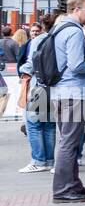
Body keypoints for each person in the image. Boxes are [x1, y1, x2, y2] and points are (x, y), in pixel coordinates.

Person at [48, 0, 85, 203]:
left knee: (68, 139)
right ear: (76, 9)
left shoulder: (59, 28)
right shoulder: (75, 32)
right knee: (70, 142)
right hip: (74, 92)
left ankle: (73, 184)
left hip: (60, 91)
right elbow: (77, 66)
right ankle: (63, 189)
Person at [17, 36, 55, 173]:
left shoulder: (39, 40)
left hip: (38, 86)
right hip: (53, 87)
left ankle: (39, 161)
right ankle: (49, 160)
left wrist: (22, 69)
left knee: (34, 125)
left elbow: (31, 63)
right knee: (49, 125)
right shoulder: (57, 37)